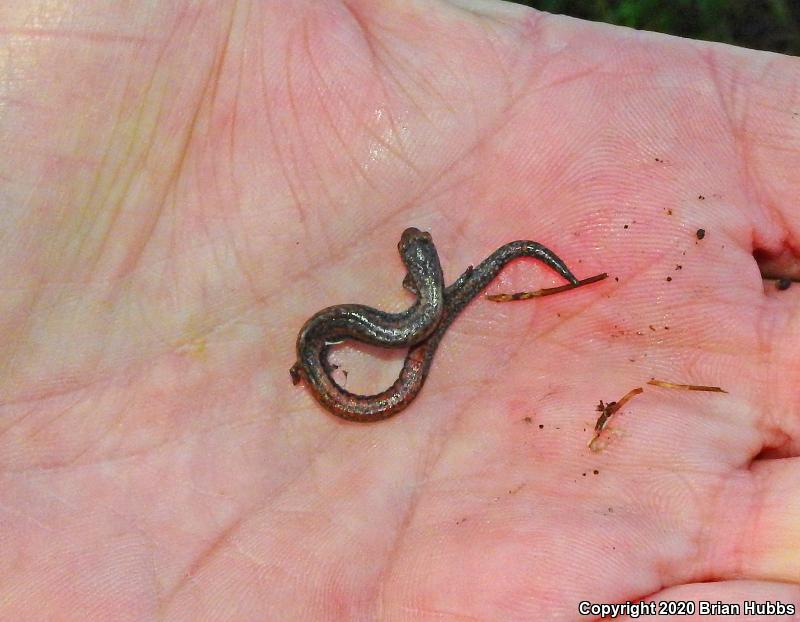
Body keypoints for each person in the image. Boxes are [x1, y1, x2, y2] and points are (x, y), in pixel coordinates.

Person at [1, 1, 798, 618]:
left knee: (401, 326)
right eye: (423, 266)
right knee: (409, 323)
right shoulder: (411, 302)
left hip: (366, 341)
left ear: (420, 270)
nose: (419, 264)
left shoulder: (401, 308)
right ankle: (370, 343)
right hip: (370, 339)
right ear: (425, 271)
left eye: (420, 263)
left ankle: (346, 355)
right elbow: (415, 312)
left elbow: (411, 315)